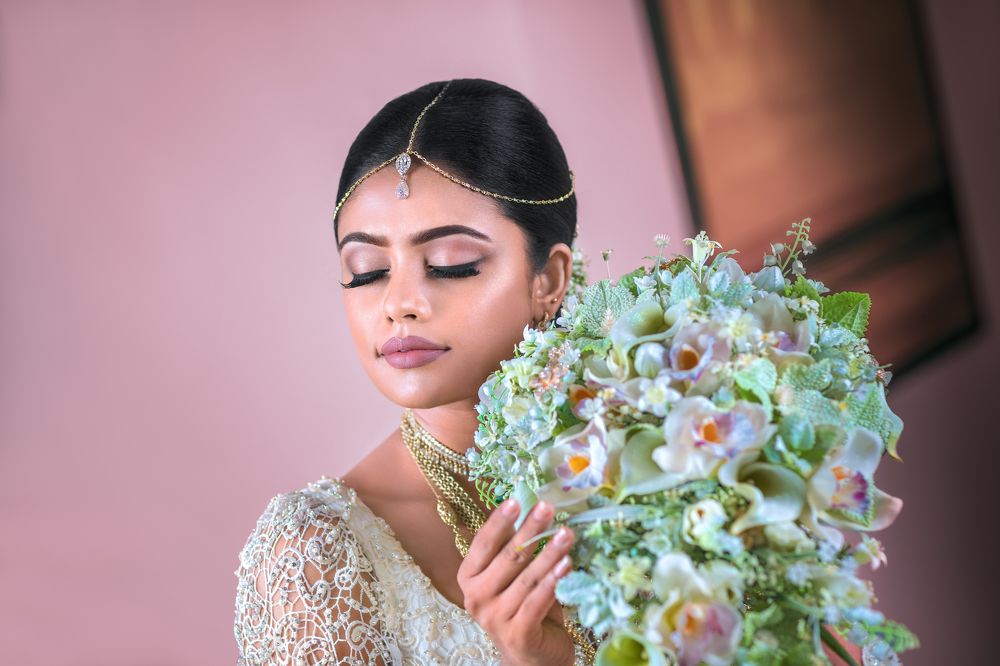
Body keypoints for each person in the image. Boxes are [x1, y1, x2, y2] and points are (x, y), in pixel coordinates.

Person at [234, 78, 592, 666]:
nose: (400, 303)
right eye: (368, 270)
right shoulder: (317, 556)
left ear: (547, 280)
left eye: (452, 264)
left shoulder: (675, 450)